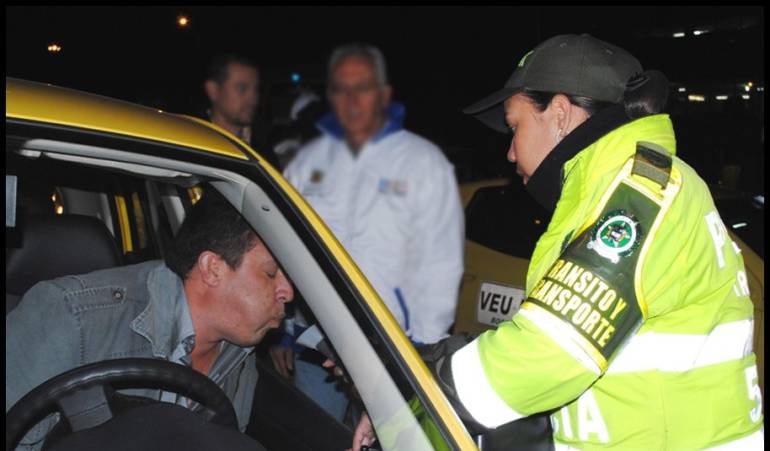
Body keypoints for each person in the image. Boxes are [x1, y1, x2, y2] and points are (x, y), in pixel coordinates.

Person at [352, 34, 764, 450]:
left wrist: (412, 386)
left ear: (561, 114)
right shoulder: (615, 190)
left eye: (514, 127)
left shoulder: (640, 195)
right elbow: (557, 335)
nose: (510, 153)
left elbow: (549, 353)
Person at [6, 188, 293, 450]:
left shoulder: (240, 356)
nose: (288, 292)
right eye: (270, 274)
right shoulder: (69, 316)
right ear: (213, 268)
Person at [273, 42, 464, 422]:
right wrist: (281, 331)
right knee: (316, 438)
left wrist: (423, 353)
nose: (352, 99)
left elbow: (441, 266)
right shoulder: (307, 163)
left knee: (394, 441)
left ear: (384, 94)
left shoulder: (423, 163)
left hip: (395, 347)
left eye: (362, 87)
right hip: (318, 343)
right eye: (341, 88)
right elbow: (284, 249)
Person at [203, 53, 281, 169]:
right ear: (213, 90)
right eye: (242, 88)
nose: (253, 98)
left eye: (255, 89)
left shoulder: (264, 152)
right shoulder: (190, 141)